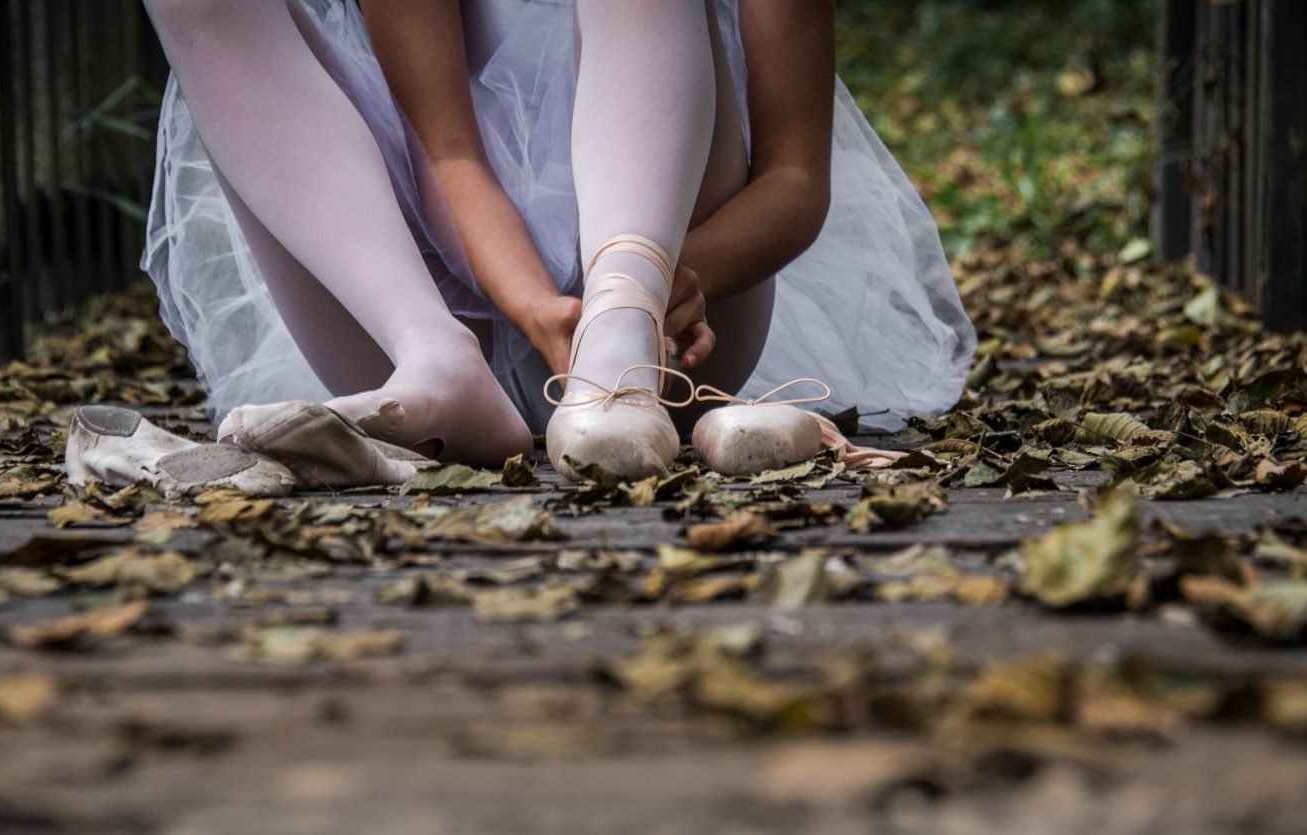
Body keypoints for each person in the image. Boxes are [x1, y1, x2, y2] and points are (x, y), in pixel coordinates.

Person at [66, 0, 975, 495]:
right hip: (432, 299)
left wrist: (668, 281)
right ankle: (435, 361)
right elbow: (450, 154)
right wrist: (535, 308)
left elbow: (796, 182)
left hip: (669, 323)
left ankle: (617, 328)